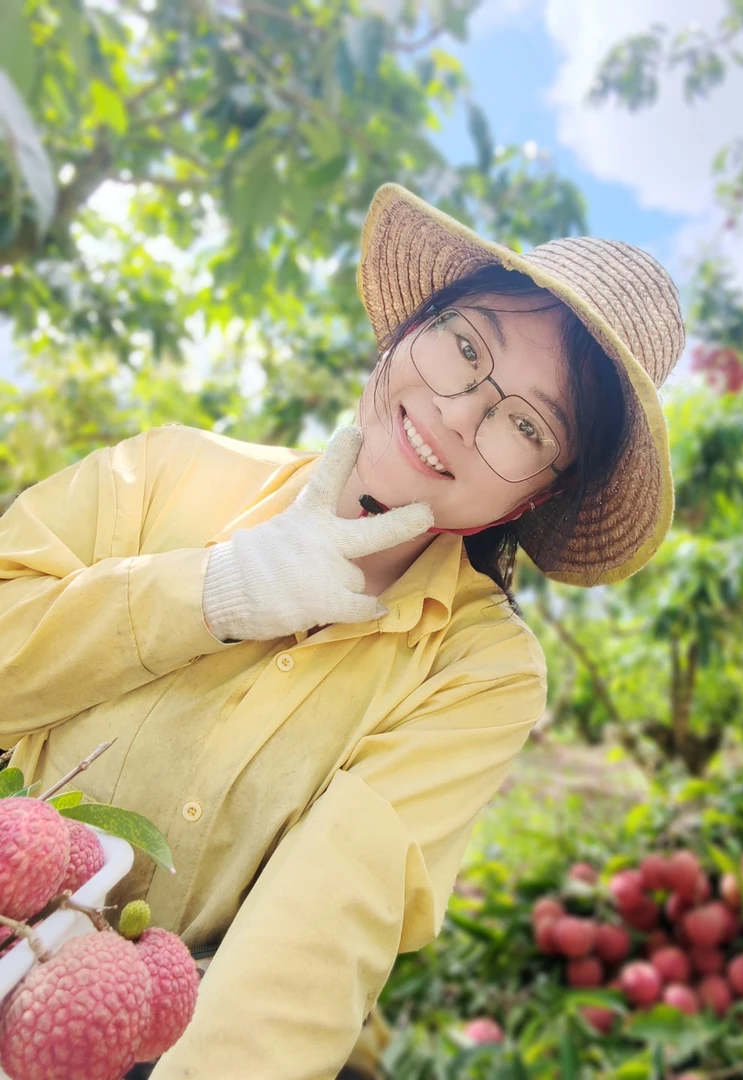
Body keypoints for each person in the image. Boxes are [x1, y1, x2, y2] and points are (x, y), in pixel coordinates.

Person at [0, 183, 684, 1078]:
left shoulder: (479, 671)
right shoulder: (167, 472)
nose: (457, 412)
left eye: (524, 424)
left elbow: (312, 946)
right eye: (464, 346)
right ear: (412, 328)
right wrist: (217, 591)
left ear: (540, 493)